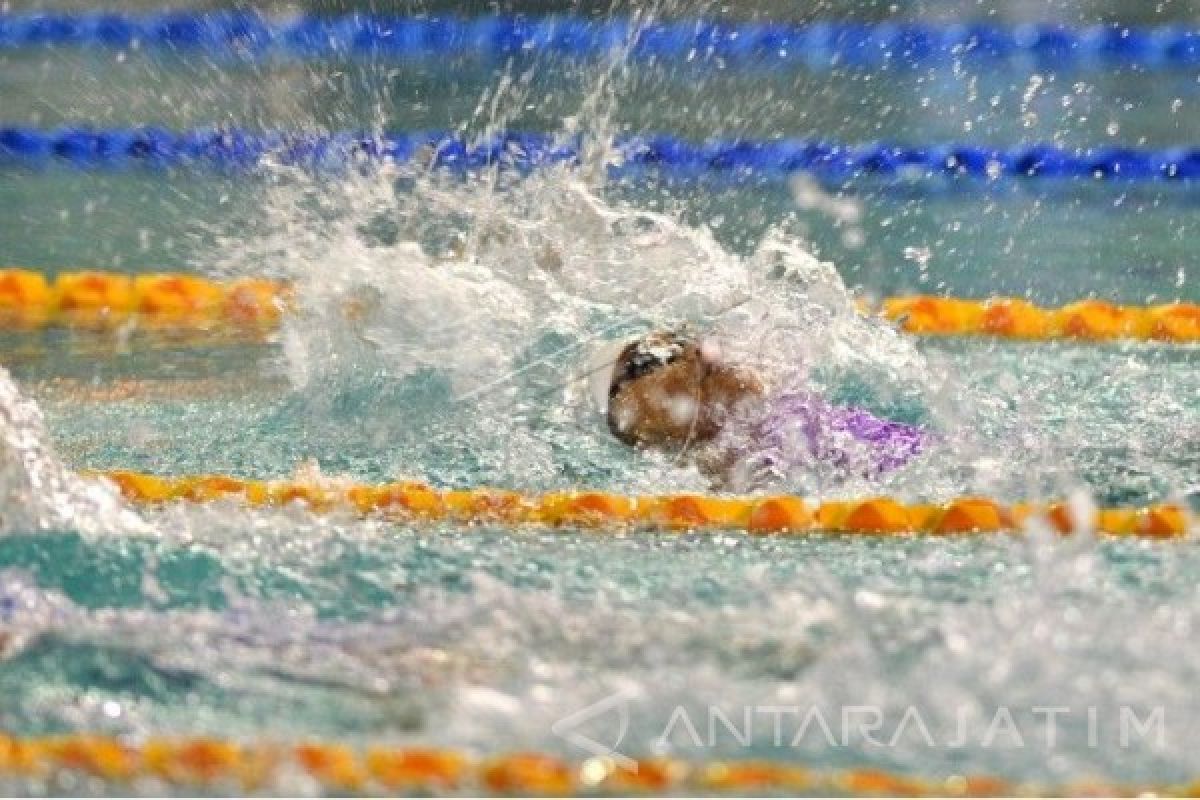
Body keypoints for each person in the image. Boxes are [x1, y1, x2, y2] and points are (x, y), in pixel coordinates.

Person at [602, 328, 927, 488]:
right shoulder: (734, 467)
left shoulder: (788, 411)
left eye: (680, 340)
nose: (695, 351)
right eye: (646, 361)